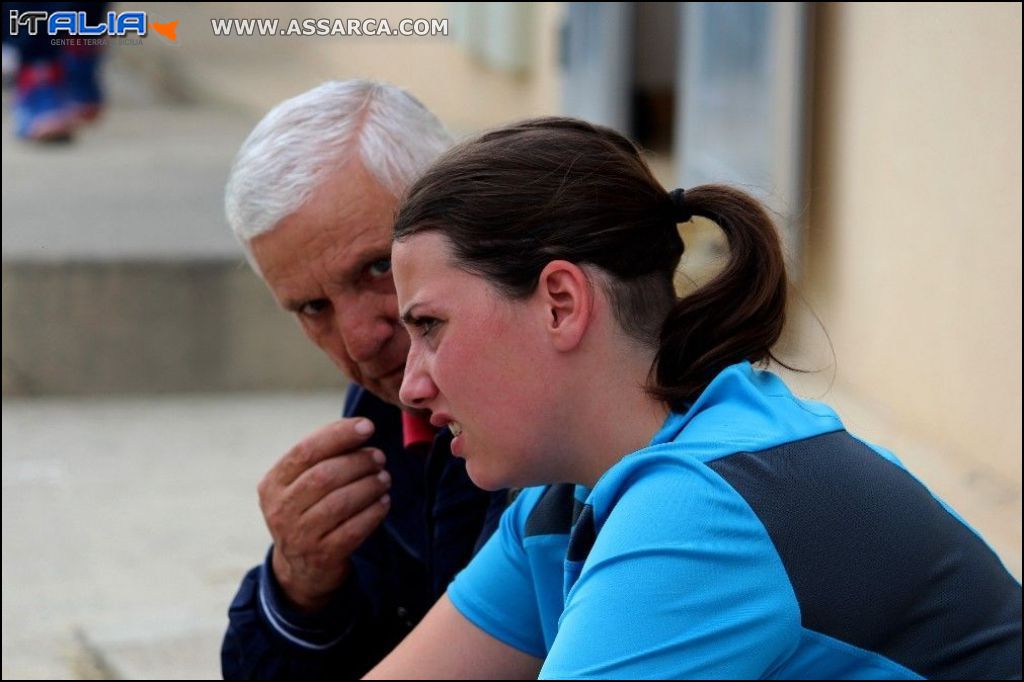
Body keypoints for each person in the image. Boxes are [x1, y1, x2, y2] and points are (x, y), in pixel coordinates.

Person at [367, 117, 1022, 679]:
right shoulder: (564, 501)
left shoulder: (699, 511)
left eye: (431, 326)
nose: (410, 385)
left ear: (560, 304)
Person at [220, 80, 508, 679]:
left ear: (467, 214)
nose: (359, 339)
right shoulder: (384, 413)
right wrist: (299, 589)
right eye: (312, 309)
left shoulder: (570, 418)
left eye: (378, 268)